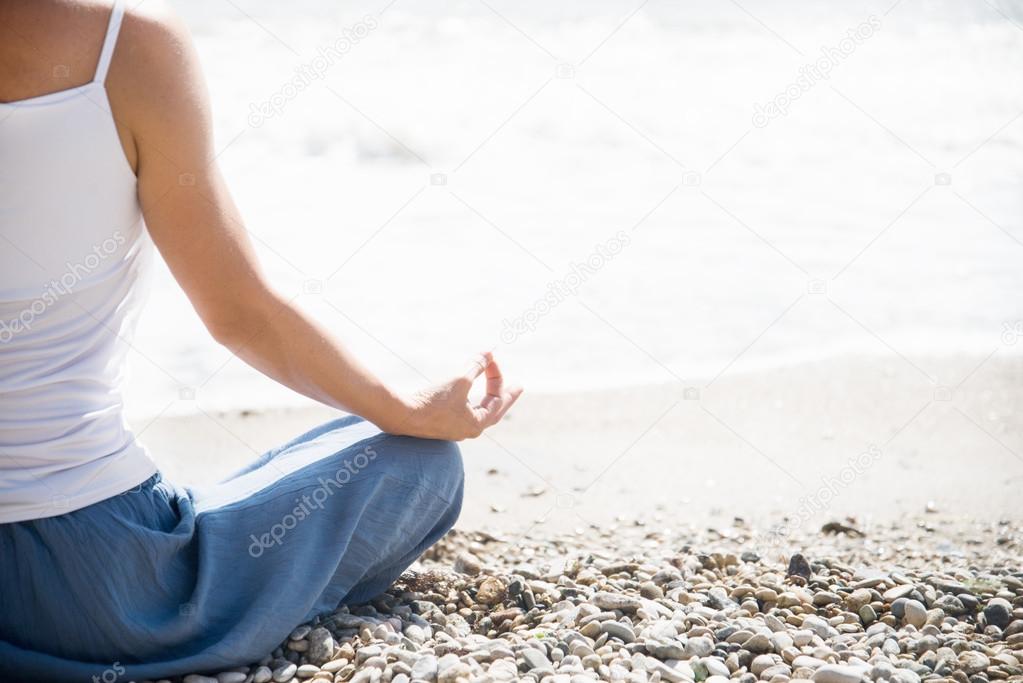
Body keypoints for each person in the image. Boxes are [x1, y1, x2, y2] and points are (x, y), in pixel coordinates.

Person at [0, 1, 522, 680]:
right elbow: (239, 311)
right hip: (86, 583)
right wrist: (405, 410)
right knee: (416, 466)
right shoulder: (126, 45)